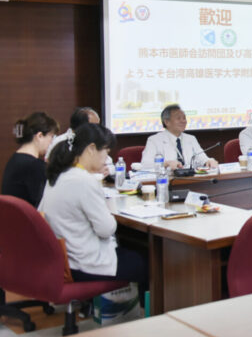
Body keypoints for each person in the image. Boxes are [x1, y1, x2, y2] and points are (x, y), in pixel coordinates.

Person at [39, 123, 147, 299]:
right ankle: (151, 314)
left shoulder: (58, 174)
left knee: (132, 250)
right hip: (85, 264)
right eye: (106, 152)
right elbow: (106, 229)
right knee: (147, 261)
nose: (107, 158)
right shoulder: (84, 181)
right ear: (91, 149)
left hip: (63, 260)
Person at [2, 112, 58, 207]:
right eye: (51, 137)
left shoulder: (14, 159)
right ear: (40, 136)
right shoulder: (35, 165)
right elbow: (43, 204)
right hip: (27, 216)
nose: (51, 142)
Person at [141, 104, 218, 170]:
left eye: (184, 118)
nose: (183, 121)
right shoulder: (154, 140)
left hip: (190, 178)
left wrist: (209, 161)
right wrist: (166, 164)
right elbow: (145, 164)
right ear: (166, 122)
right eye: (178, 118)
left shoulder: (191, 138)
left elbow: (202, 157)